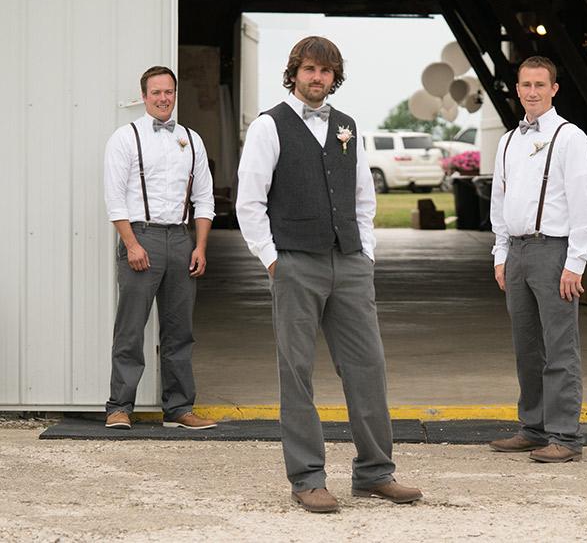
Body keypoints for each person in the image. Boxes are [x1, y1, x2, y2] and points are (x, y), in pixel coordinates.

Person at [236, 36, 421, 513]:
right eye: (309, 69)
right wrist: (273, 260)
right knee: (296, 373)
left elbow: (363, 198)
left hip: (351, 263)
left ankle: (376, 473)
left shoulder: (347, 126)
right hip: (296, 263)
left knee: (368, 367)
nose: (317, 78)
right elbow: (249, 202)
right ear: (294, 72)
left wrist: (367, 255)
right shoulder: (269, 126)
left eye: (326, 71)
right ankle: (307, 478)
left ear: (335, 77)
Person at [488, 56, 587, 464]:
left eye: (540, 84)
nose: (532, 91)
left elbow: (586, 205)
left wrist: (576, 262)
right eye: (525, 85)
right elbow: (499, 202)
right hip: (516, 252)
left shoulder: (570, 137)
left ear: (554, 89)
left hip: (553, 251)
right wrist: (500, 253)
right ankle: (533, 429)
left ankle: (565, 436)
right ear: (516, 90)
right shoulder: (507, 140)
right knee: (527, 348)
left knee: (560, 348)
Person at [103, 66, 217, 431]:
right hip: (142, 236)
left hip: (181, 239)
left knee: (179, 329)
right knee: (131, 328)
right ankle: (119, 406)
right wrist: (131, 243)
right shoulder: (126, 137)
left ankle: (179, 408)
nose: (164, 98)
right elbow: (114, 197)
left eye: (169, 92)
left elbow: (203, 198)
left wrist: (199, 246)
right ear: (144, 96)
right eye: (156, 92)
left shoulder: (191, 139)